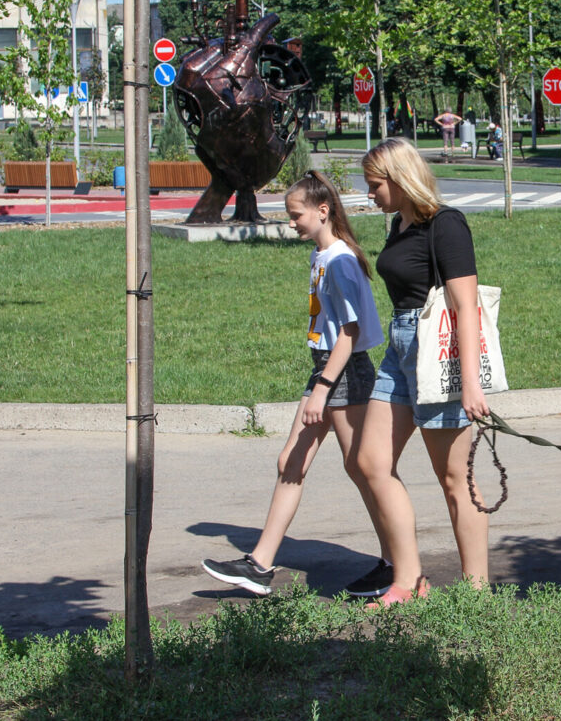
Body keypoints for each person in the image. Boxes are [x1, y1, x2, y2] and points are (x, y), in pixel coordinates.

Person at [201, 170, 392, 598]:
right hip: (325, 369)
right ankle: (260, 565)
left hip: (342, 372)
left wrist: (322, 388)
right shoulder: (322, 257)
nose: (291, 223)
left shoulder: (341, 260)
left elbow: (350, 332)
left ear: (322, 212)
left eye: (295, 215)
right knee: (291, 460)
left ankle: (396, 561)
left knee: (365, 470)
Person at [355, 137, 492, 607]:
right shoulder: (399, 223)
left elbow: (465, 306)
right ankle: (409, 580)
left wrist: (469, 381)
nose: (369, 194)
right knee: (370, 462)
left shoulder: (445, 224)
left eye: (375, 185)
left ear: (398, 179)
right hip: (399, 348)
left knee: (455, 478)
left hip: (437, 350)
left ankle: (476, 592)